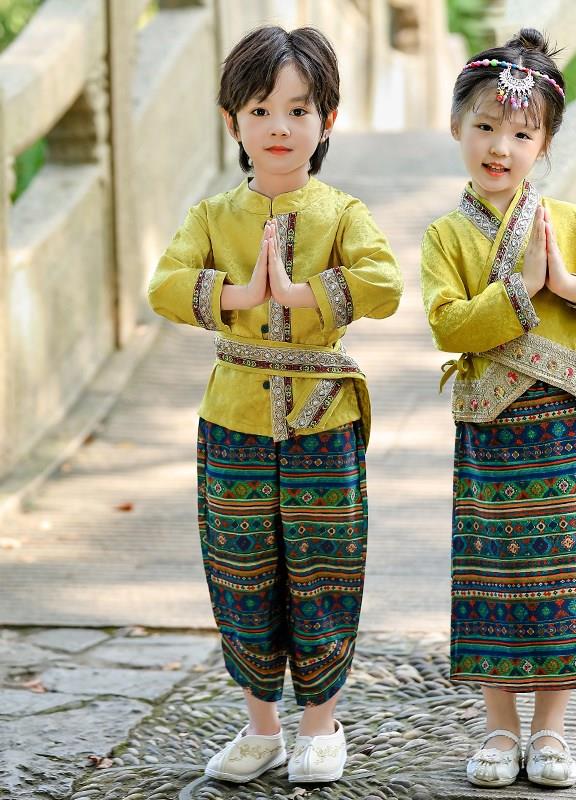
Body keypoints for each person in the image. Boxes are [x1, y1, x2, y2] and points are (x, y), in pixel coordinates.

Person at [148, 25, 402, 785]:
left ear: (328, 119)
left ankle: (322, 726)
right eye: (260, 110)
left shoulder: (342, 211)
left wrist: (305, 295)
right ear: (232, 122)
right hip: (232, 418)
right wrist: (236, 295)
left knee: (324, 566)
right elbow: (163, 285)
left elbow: (385, 284)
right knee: (240, 568)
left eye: (299, 109)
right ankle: (261, 728)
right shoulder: (212, 217)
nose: (280, 127)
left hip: (323, 417)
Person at [420, 28, 576, 789]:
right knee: (496, 576)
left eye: (521, 133)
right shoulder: (446, 235)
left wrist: (569, 282)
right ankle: (496, 726)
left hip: (567, 425)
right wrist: (522, 289)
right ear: (456, 126)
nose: (500, 146)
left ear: (544, 142)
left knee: (564, 575)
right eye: (485, 126)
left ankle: (549, 732)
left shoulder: (574, 223)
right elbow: (448, 323)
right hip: (494, 430)